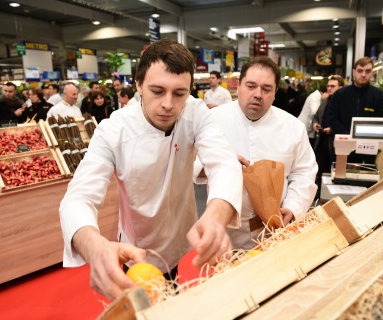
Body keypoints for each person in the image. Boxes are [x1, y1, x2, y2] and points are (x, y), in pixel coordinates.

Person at [59, 38, 242, 301]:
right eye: (157, 91)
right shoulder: (113, 130)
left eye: (179, 94)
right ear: (138, 85)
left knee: (172, 295)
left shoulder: (196, 113)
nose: (168, 104)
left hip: (179, 231)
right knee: (139, 304)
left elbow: (224, 162)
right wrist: (93, 244)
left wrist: (216, 214)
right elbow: (79, 196)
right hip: (136, 244)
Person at [194, 56, 317, 250]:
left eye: (266, 89)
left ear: (275, 92)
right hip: (225, 231)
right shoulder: (213, 120)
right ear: (238, 87)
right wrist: (220, 164)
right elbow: (192, 164)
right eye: (251, 86)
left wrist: (293, 209)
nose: (258, 94)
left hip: (274, 231)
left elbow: (304, 173)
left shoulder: (292, 127)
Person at [328, 57, 383, 164]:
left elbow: (382, 121)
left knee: (366, 179)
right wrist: (350, 138)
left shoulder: (379, 96)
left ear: (372, 73)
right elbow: (332, 118)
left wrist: (361, 139)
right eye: (360, 71)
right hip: (343, 148)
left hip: (368, 150)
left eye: (367, 71)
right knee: (340, 178)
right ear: (354, 72)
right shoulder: (340, 94)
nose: (363, 75)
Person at [312, 75, 344, 198]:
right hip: (321, 140)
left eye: (332, 86)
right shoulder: (325, 101)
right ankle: (318, 194)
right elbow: (316, 116)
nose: (329, 88)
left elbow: (345, 123)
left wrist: (332, 129)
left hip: (334, 142)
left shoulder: (343, 104)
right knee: (319, 168)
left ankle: (331, 196)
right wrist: (315, 123)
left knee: (333, 170)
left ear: (340, 87)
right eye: (328, 86)